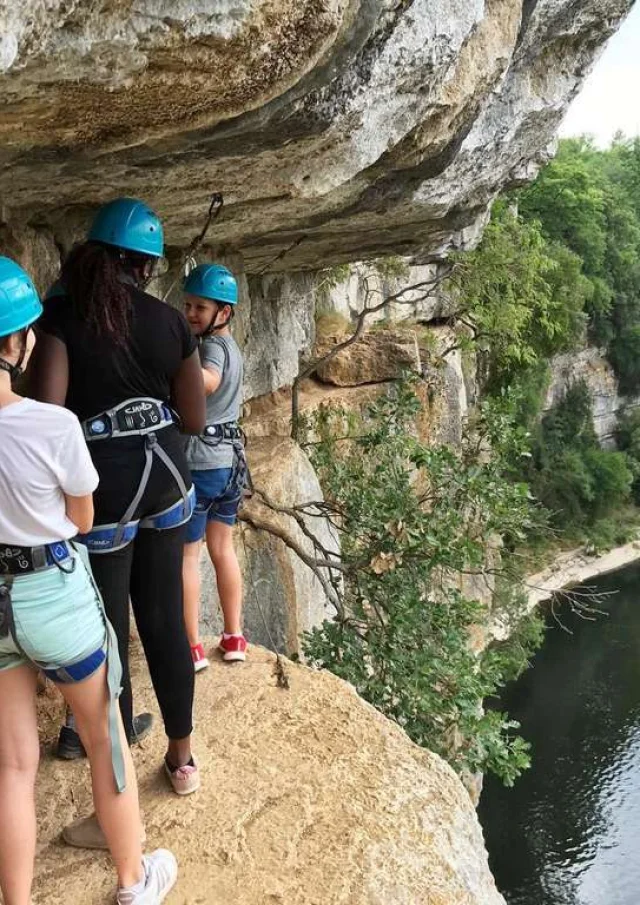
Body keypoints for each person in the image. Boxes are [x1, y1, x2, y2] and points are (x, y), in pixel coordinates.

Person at [0, 255, 177, 904]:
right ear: (18, 343)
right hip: (53, 592)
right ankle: (134, 882)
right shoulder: (53, 425)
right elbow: (81, 516)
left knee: (15, 765)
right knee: (104, 740)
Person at [29, 198, 206, 847]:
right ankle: (182, 761)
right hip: (164, 484)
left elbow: (47, 414)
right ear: (146, 266)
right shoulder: (169, 323)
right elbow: (191, 418)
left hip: (98, 495)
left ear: (91, 253)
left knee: (108, 640)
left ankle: (116, 802)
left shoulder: (62, 318)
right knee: (162, 622)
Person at [181, 264, 248, 671]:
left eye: (200, 307)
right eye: (187, 305)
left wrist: (173, 374)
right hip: (230, 464)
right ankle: (234, 635)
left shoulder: (211, 349)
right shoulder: (234, 346)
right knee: (222, 549)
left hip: (202, 464)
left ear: (223, 312)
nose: (190, 313)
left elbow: (207, 381)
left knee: (188, 557)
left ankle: (191, 646)